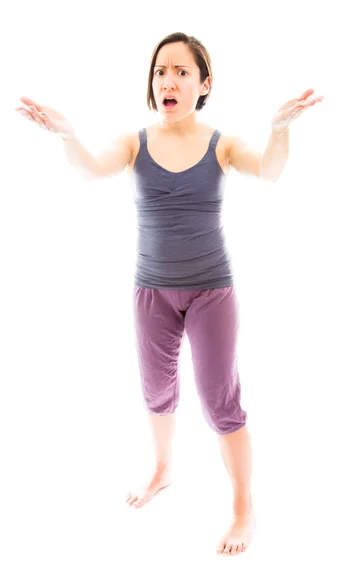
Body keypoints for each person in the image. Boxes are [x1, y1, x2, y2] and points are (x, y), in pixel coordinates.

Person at [15, 32, 323, 557]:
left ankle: (244, 509)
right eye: (161, 71)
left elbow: (270, 171)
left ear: (205, 84)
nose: (168, 81)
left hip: (211, 291)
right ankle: (161, 471)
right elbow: (90, 169)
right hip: (151, 292)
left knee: (220, 402)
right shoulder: (135, 142)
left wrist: (279, 131)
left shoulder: (220, 143)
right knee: (156, 392)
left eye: (182, 71)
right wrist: (67, 135)